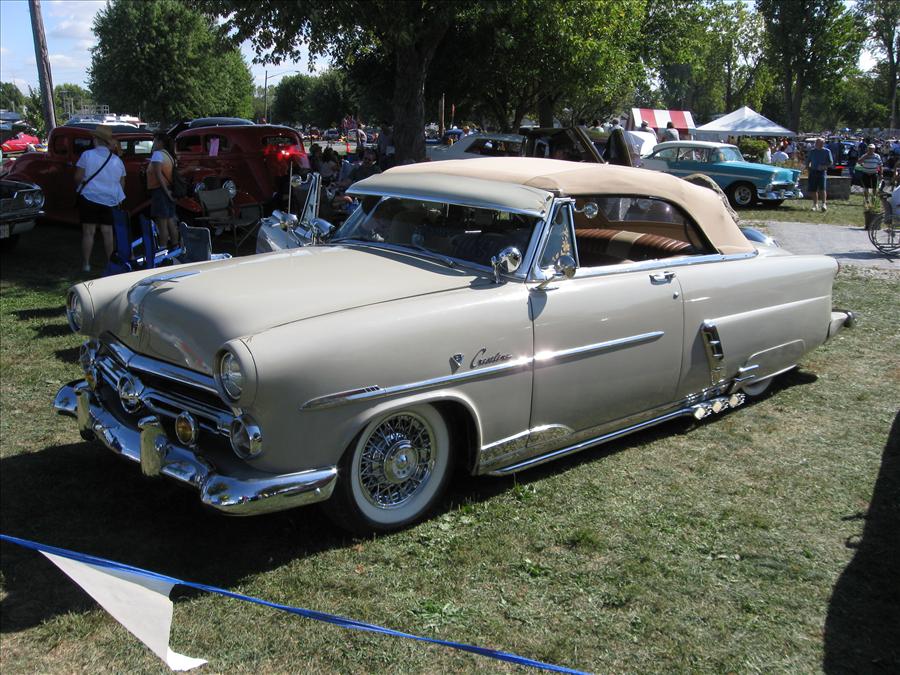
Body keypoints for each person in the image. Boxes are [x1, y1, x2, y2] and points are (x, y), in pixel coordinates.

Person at [74, 125, 126, 272]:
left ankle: (86, 264)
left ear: (96, 140)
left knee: (88, 232)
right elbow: (122, 183)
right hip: (110, 199)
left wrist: (82, 186)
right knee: (108, 232)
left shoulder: (87, 155)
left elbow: (78, 177)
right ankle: (110, 263)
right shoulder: (118, 161)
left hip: (89, 197)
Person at [147, 132, 178, 250]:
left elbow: (159, 176)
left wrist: (166, 193)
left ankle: (162, 249)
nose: (153, 144)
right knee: (170, 220)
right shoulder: (169, 155)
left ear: (160, 142)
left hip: (160, 192)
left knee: (162, 223)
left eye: (154, 141)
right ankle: (175, 247)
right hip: (169, 190)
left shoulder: (157, 155)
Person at [805, 138, 833, 212]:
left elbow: (830, 162)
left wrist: (824, 166)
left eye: (821, 143)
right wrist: (808, 168)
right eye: (817, 143)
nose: (819, 145)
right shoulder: (812, 151)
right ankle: (815, 204)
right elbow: (807, 161)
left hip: (822, 172)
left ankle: (824, 204)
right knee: (813, 189)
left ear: (823, 144)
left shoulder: (827, 151)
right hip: (813, 172)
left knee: (822, 189)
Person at [856, 144, 883, 209]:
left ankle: (873, 199)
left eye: (872, 149)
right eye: (869, 148)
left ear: (874, 149)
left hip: (874, 173)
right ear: (867, 149)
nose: (871, 150)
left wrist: (881, 174)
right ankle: (866, 199)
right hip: (866, 173)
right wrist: (865, 157)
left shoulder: (877, 156)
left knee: (874, 188)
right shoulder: (864, 155)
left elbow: (880, 165)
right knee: (866, 188)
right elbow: (859, 162)